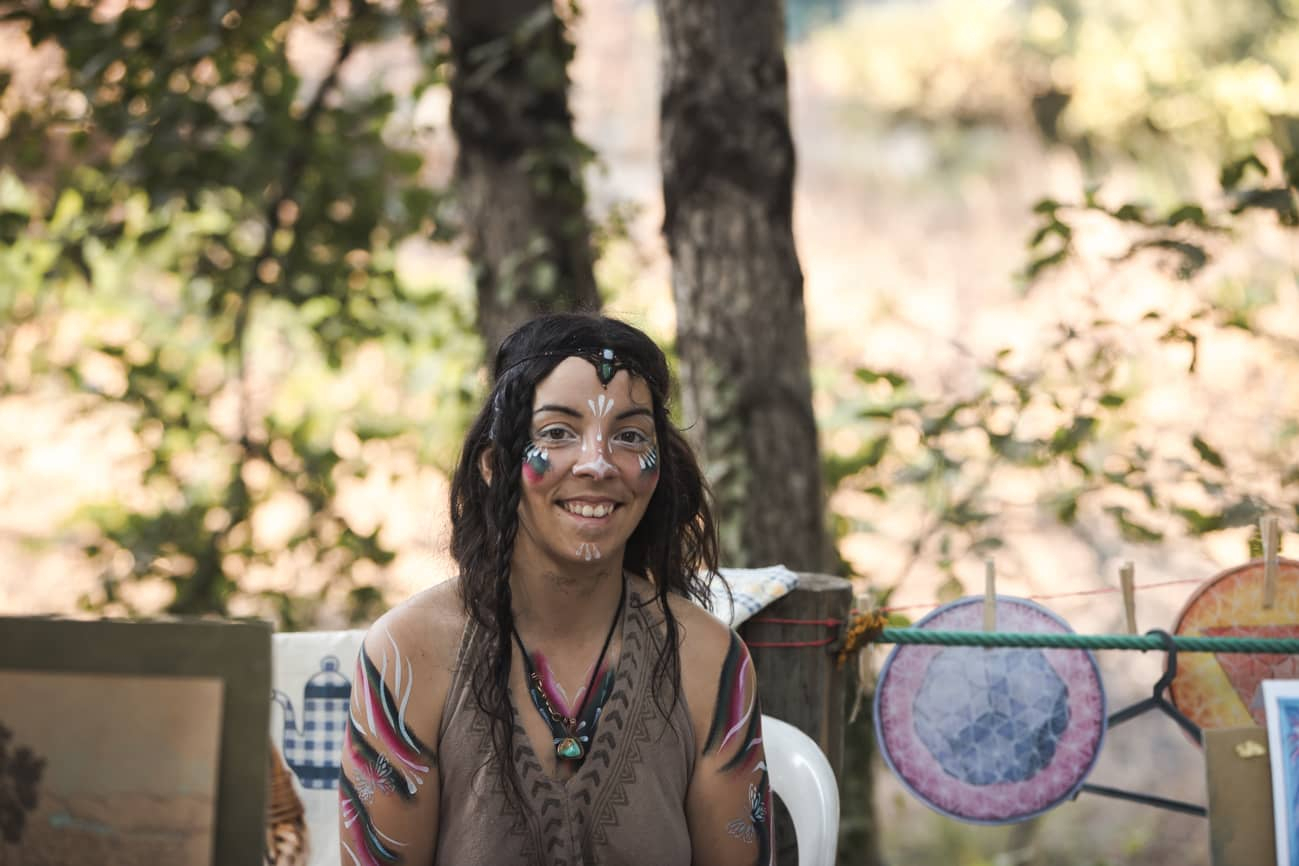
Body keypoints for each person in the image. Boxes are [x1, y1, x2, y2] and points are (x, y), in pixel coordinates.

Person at [338, 313, 773, 866]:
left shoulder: (709, 662)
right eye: (558, 432)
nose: (597, 464)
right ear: (495, 463)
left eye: (630, 436)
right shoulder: (408, 657)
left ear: (657, 470)